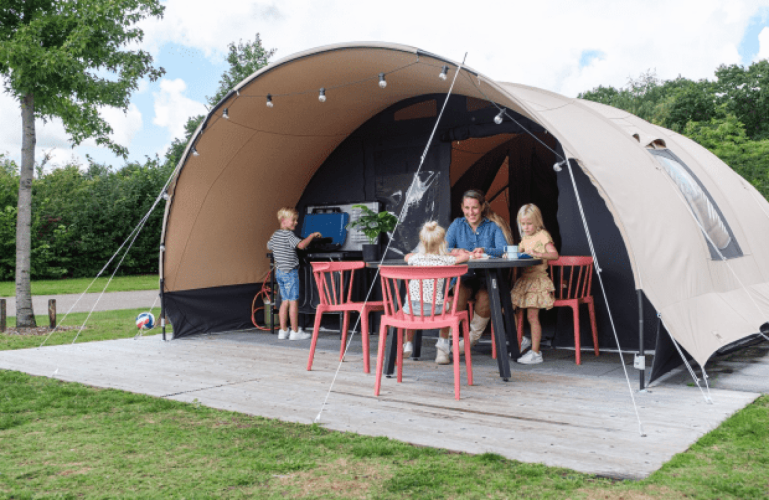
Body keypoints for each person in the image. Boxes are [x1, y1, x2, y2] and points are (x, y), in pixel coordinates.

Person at [445, 190, 513, 354]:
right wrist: (457, 251)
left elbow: (504, 249)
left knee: (485, 298)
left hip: (487, 278)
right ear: (462, 208)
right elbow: (444, 248)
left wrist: (485, 249)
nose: (471, 212)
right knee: (459, 294)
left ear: (482, 207)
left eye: (475, 207)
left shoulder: (492, 226)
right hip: (464, 276)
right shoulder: (457, 224)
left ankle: (471, 340)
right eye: (467, 208)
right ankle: (446, 339)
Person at [401, 221, 470, 364]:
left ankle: (407, 343)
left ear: (422, 243)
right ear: (443, 243)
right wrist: (456, 253)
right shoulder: (445, 260)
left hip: (412, 308)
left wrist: (416, 254)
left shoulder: (416, 259)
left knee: (409, 313)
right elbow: (465, 258)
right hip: (434, 309)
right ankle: (443, 342)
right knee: (449, 306)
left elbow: (407, 256)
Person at [511, 204, 559, 364]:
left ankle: (536, 352)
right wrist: (512, 254)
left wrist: (539, 253)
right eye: (523, 224)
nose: (525, 227)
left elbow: (554, 255)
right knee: (509, 308)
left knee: (532, 316)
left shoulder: (542, 235)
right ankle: (523, 339)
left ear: (537, 222)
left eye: (529, 224)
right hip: (524, 280)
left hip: (537, 281)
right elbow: (519, 252)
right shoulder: (525, 237)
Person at [267, 207, 322, 340]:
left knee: (284, 301)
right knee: (293, 302)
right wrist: (312, 236)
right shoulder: (289, 235)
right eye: (294, 220)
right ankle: (295, 331)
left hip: (280, 272)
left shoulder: (275, 234)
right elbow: (301, 245)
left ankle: (283, 330)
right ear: (284, 220)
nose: (296, 223)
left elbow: (269, 246)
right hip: (290, 273)